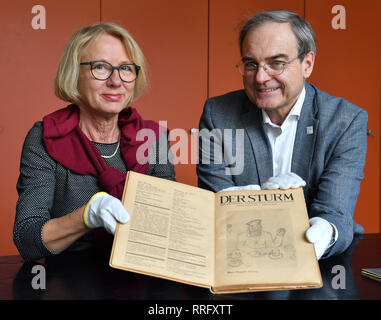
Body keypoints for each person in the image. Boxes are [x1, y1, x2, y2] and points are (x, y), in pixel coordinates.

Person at [197, 10, 367, 260]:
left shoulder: (345, 120)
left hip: (321, 261)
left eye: (277, 63)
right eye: (251, 64)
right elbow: (217, 206)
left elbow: (335, 213)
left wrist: (320, 234)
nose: (261, 78)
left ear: (307, 64)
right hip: (240, 254)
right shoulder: (217, 114)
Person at [14, 23, 175, 262]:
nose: (116, 81)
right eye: (101, 67)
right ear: (74, 73)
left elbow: (171, 226)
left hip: (142, 277)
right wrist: (86, 216)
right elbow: (27, 240)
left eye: (126, 69)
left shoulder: (153, 138)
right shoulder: (45, 138)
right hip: (68, 282)